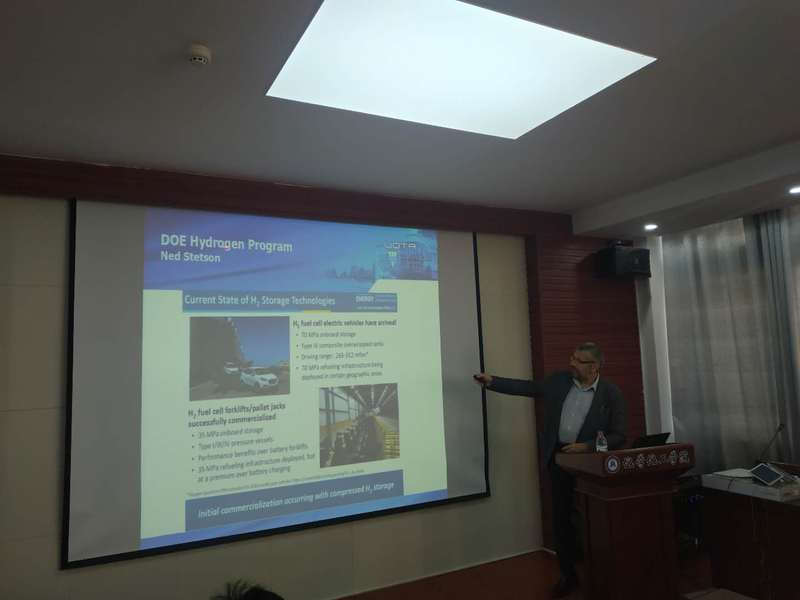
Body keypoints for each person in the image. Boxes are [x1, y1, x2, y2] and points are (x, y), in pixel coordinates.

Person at [474, 342, 625, 599]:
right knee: (561, 519)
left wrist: (586, 446)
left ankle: (599, 571)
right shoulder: (559, 381)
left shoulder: (611, 394)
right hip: (559, 459)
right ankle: (568, 575)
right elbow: (529, 388)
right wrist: (493, 381)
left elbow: (619, 435)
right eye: (572, 357)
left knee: (592, 520)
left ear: (594, 367)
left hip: (590, 465)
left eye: (578, 360)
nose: (571, 363)